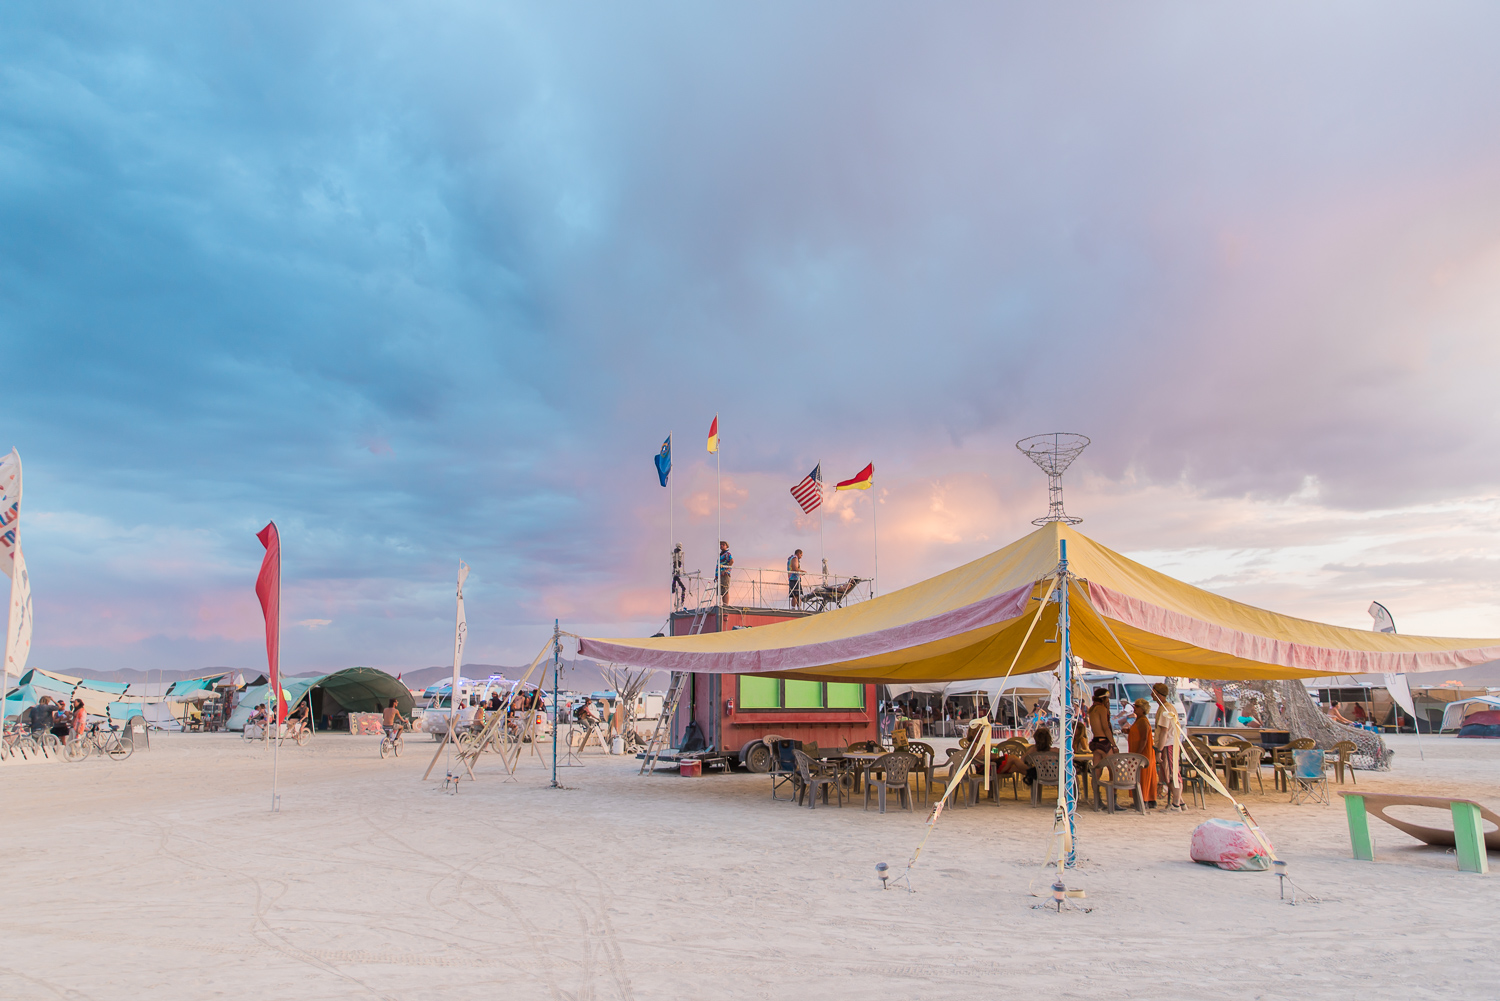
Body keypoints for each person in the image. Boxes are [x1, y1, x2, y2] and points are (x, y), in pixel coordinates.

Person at [1151, 682, 1185, 810]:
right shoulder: (1164, 707)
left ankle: (1176, 804)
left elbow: (1164, 731)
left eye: (1153, 692)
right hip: (1166, 744)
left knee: (1172, 774)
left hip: (1169, 745)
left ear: (1158, 694)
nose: (1151, 695)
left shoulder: (1166, 709)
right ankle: (1180, 802)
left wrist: (1159, 750)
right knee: (1166, 774)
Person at [1125, 699, 1158, 810]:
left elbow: (1144, 738)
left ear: (1143, 709)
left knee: (1143, 776)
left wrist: (1138, 754)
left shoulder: (1143, 721)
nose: (1135, 708)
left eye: (1137, 706)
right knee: (1140, 776)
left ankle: (1144, 800)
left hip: (1143, 753)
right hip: (1138, 752)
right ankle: (1144, 799)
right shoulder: (1138, 720)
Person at [1087, 688, 1117, 768]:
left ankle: (1095, 781)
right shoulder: (1102, 709)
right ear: (1103, 698)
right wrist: (1114, 745)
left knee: (1097, 769)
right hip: (1103, 741)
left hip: (1095, 741)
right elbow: (1105, 728)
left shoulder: (1092, 709)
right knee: (1113, 769)